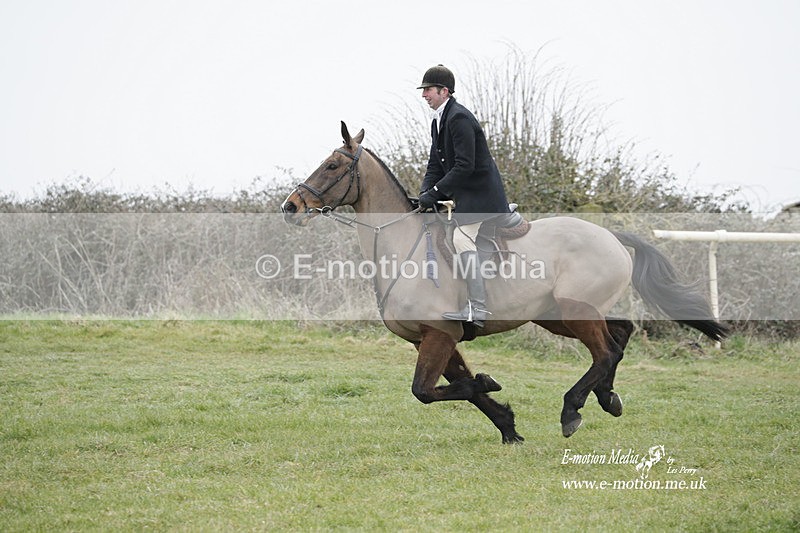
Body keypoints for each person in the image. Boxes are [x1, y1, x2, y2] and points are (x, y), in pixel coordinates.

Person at [416, 64, 511, 328]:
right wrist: (426, 193)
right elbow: (435, 164)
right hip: (466, 196)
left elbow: (464, 166)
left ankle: (478, 309)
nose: (424, 95)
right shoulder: (439, 120)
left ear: (444, 91)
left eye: (428, 90)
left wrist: (437, 192)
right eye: (423, 91)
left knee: (461, 239)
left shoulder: (458, 118)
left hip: (482, 197)